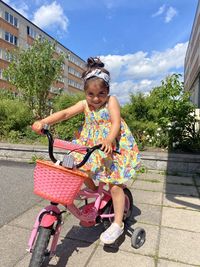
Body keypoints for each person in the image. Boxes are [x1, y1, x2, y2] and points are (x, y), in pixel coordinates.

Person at [32, 57, 141, 244]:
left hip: (111, 148)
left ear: (108, 91)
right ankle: (96, 197)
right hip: (91, 146)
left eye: (101, 93)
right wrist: (44, 122)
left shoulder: (111, 102)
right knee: (75, 167)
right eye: (91, 94)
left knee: (115, 185)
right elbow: (65, 113)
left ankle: (117, 224)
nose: (96, 99)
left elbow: (115, 122)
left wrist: (109, 139)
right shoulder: (84, 104)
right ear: (85, 92)